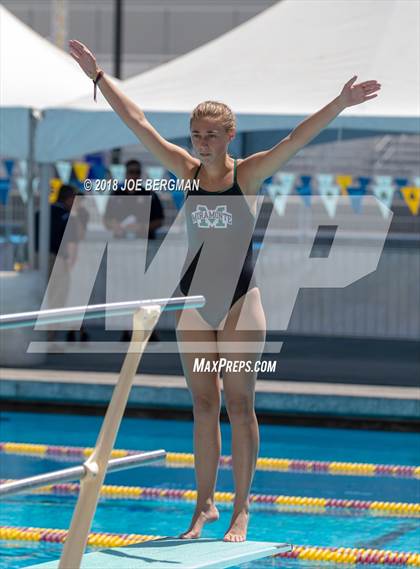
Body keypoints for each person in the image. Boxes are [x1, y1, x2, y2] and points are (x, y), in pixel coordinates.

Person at [69, 38, 381, 541]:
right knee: (203, 405)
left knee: (239, 404)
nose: (201, 143)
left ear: (229, 136)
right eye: (196, 135)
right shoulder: (186, 173)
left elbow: (296, 139)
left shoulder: (249, 174)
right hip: (194, 302)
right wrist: (98, 77)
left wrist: (340, 103)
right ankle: (204, 507)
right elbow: (139, 123)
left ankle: (241, 509)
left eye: (211, 135)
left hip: (240, 302)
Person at [104, 158, 164, 341]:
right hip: (122, 247)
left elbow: (159, 220)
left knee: (146, 290)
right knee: (124, 289)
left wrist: (141, 227)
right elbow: (106, 220)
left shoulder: (150, 194)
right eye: (131, 172)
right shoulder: (117, 194)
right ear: (125, 173)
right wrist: (115, 226)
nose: (134, 175)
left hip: (142, 247)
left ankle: (148, 329)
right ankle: (126, 328)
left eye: (137, 172)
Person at [35, 184, 89, 342]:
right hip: (58, 259)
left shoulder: (41, 212)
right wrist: (70, 264)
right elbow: (74, 240)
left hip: (38, 258)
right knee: (56, 300)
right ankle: (49, 340)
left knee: (40, 298)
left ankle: (37, 338)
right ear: (70, 199)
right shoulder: (68, 216)